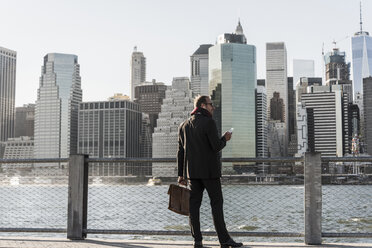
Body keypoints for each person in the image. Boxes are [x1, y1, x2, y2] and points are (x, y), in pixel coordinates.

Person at [177, 95, 243, 248]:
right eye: (210, 104)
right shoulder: (209, 122)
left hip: (192, 174)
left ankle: (197, 241)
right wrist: (225, 138)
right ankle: (224, 240)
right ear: (202, 105)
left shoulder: (184, 125)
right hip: (210, 173)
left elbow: (180, 152)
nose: (213, 107)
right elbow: (216, 146)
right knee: (216, 205)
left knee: (194, 207)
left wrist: (181, 174)